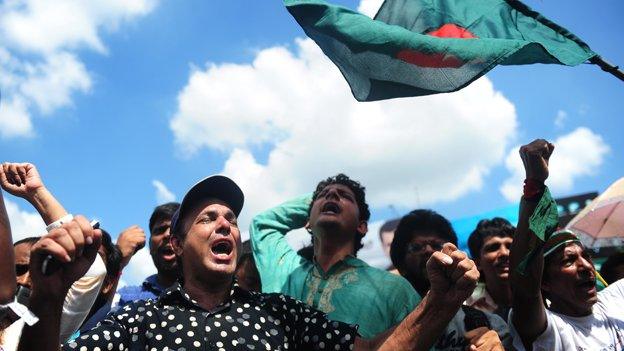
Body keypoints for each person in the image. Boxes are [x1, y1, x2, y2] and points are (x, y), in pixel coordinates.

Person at [18, 174, 481, 351]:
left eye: (231, 219)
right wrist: (47, 297)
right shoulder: (136, 320)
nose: (225, 225)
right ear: (176, 247)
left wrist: (440, 302)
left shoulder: (278, 313)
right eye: (207, 218)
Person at [250, 174, 420, 338]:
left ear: (361, 226)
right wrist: (320, 201)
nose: (332, 194)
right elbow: (262, 224)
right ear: (308, 223)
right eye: (324, 195)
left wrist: (324, 200)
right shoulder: (286, 271)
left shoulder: (394, 289)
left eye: (345, 196)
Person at [509, 138, 624, 351]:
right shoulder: (552, 331)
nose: (585, 266)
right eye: (568, 260)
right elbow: (524, 290)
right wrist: (534, 185)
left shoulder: (617, 298)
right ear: (544, 283)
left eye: (585, 256)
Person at [0, 162, 107, 349]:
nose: (24, 281)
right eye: (18, 270)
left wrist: (36, 193)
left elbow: (91, 270)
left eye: (36, 273)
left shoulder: (30, 327)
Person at [390, 209, 509, 351]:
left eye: (437, 246)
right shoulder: (384, 323)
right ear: (400, 263)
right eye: (416, 247)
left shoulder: (488, 324)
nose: (428, 250)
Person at [115, 202, 179, 305]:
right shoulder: (126, 299)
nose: (167, 235)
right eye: (160, 230)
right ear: (150, 246)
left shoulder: (211, 295)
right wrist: (117, 259)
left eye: (174, 230)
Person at [466, 218, 514, 319]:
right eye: (493, 248)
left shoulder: (546, 298)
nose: (505, 253)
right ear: (477, 263)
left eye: (510, 246)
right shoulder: (467, 309)